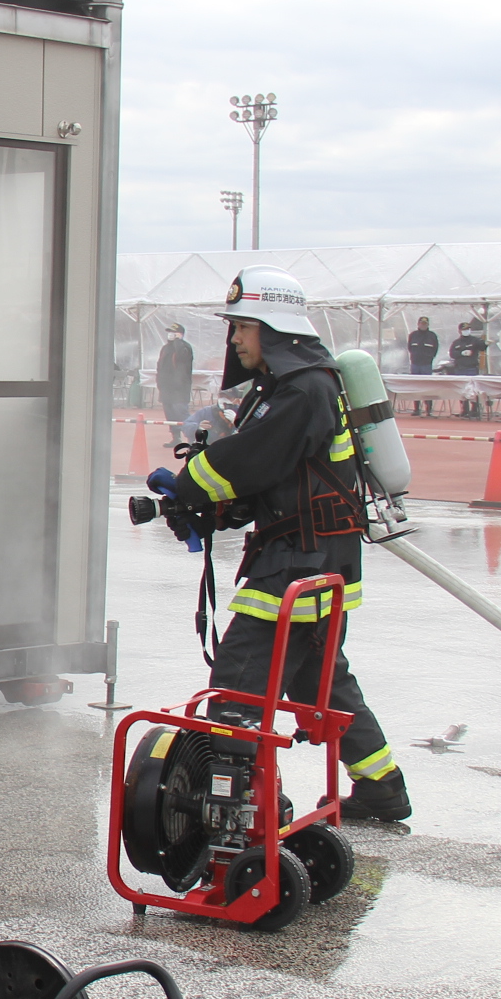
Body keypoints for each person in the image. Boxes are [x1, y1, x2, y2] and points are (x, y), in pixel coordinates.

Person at [164, 267, 407, 825]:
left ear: (271, 327)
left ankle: (247, 805)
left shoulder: (303, 389)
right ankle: (382, 785)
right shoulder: (300, 385)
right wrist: (220, 507)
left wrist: (188, 485)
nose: (234, 339)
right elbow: (283, 476)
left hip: (297, 563)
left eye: (241, 327)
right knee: (320, 679)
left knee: (239, 682)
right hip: (320, 557)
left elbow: (253, 458)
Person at [154, 322, 195, 430]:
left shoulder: (185, 347)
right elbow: (160, 366)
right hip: (166, 387)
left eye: (174, 332)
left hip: (179, 388)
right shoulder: (165, 348)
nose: (170, 335)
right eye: (170, 332)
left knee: (181, 413)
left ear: (180, 334)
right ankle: (176, 438)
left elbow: (182, 358)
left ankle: (192, 437)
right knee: (170, 415)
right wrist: (159, 382)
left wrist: (178, 341)